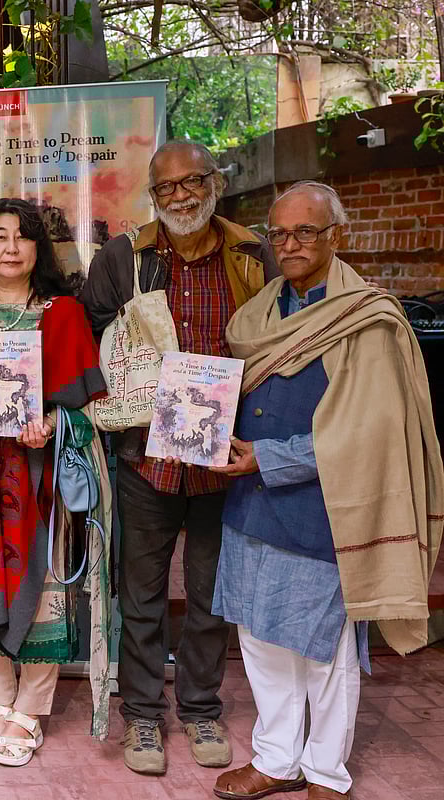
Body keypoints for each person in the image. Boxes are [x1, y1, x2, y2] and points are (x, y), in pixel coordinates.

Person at [209, 182, 443, 800]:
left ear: (337, 236)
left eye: (306, 231)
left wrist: (269, 457)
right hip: (251, 505)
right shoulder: (258, 314)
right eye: (279, 234)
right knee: (260, 640)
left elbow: (369, 432)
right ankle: (275, 759)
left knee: (323, 650)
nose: (290, 244)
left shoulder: (368, 319)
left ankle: (326, 773)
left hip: (325, 511)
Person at [79, 140, 279, 776]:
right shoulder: (123, 257)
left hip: (225, 459)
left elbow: (282, 343)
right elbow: (91, 339)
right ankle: (141, 713)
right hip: (146, 459)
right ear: (153, 195)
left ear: (214, 184)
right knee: (140, 592)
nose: (182, 197)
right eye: (167, 189)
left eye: (193, 183)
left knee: (209, 591)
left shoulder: (251, 253)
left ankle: (200, 707)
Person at [0, 198, 114, 767]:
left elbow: (94, 406)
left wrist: (54, 421)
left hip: (41, 474)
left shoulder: (62, 314)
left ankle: (32, 708)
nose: (10, 247)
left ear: (38, 248)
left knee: (43, 586)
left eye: (21, 237)